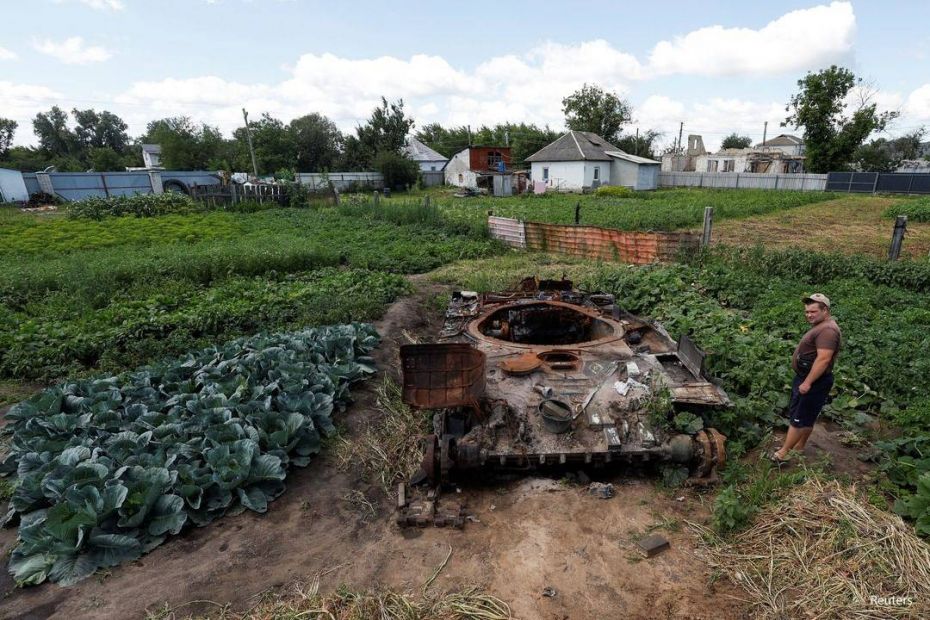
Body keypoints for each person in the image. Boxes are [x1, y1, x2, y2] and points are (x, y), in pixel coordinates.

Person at [772, 293, 841, 463]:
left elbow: (824, 358)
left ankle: (783, 453)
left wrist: (808, 382)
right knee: (807, 416)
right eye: (807, 312)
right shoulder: (823, 326)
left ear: (825, 310)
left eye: (813, 311)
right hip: (810, 378)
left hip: (812, 380)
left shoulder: (828, 331)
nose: (809, 315)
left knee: (798, 418)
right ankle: (799, 446)